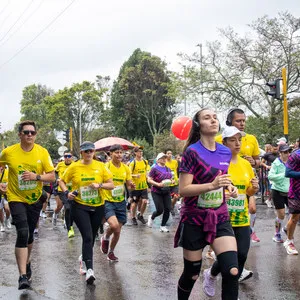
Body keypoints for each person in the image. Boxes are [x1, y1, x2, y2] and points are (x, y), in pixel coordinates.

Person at [175, 108, 239, 300]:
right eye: (206, 118)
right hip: (194, 218)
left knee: (232, 270)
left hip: (219, 216)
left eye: (215, 117)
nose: (213, 120)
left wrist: (230, 187)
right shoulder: (192, 153)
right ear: (198, 125)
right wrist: (212, 186)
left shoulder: (224, 152)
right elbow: (183, 190)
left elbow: (221, 179)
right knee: (191, 274)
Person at [203, 126, 259, 296]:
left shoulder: (245, 164)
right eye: (233, 140)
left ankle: (212, 274)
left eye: (239, 140)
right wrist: (222, 194)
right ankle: (229, 291)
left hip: (241, 218)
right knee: (230, 261)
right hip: (222, 219)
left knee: (241, 255)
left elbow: (248, 191)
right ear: (224, 143)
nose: (237, 143)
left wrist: (253, 190)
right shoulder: (218, 163)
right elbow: (209, 188)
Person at [0, 120, 55, 290]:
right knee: (22, 232)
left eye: (32, 132)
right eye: (26, 132)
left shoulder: (42, 152)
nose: (29, 135)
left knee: (29, 235)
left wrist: (36, 177)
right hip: (16, 197)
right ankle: (22, 276)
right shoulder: (8, 152)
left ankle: (27, 260)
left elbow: (52, 176)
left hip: (34, 198)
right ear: (20, 134)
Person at [59, 141, 114, 284]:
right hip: (80, 206)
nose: (89, 153)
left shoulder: (101, 166)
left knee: (91, 236)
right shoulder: (74, 166)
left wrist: (99, 185)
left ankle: (83, 258)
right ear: (81, 153)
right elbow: (61, 180)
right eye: (86, 151)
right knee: (88, 237)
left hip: (98, 206)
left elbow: (111, 185)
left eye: (91, 151)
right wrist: (67, 192)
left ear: (94, 152)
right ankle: (90, 270)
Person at [216, 108, 261, 243]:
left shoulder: (251, 138)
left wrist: (254, 162)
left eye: (243, 121)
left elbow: (258, 161)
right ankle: (216, 248)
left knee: (251, 208)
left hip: (245, 178)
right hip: (227, 179)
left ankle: (248, 232)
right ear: (230, 122)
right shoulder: (219, 139)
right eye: (238, 121)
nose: (242, 124)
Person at [100, 144, 135, 261]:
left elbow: (129, 184)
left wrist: (132, 186)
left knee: (118, 230)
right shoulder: (105, 167)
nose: (120, 155)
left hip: (120, 201)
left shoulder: (126, 168)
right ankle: (105, 237)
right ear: (110, 154)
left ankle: (111, 252)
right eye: (117, 152)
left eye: (121, 152)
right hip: (107, 200)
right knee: (114, 225)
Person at [268, 144, 290, 243]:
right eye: (285, 152)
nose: (288, 154)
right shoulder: (276, 163)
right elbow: (271, 176)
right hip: (278, 190)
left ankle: (286, 227)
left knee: (295, 214)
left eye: (289, 151)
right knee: (281, 214)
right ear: (280, 153)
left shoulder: (292, 162)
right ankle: (277, 234)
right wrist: (284, 175)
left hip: (290, 191)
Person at [147, 152, 173, 232]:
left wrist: (171, 181)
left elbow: (171, 179)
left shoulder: (168, 169)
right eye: (162, 158)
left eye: (165, 158)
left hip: (166, 191)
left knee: (168, 208)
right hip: (156, 191)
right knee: (160, 210)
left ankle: (163, 226)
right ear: (158, 160)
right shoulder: (154, 168)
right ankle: (151, 217)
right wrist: (158, 184)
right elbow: (149, 179)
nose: (164, 160)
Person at [53, 150, 75, 238]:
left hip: (72, 190)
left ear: (72, 157)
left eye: (69, 156)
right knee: (67, 207)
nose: (67, 158)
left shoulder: (75, 165)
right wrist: (57, 180)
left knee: (72, 208)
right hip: (62, 189)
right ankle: (69, 227)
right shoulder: (60, 165)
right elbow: (55, 172)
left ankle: (69, 222)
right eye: (66, 156)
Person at [284, 145, 300, 255]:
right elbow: (288, 172)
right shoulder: (296, 155)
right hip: (296, 192)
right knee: (294, 218)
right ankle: (289, 241)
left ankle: (287, 228)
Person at [129, 147, 149, 225]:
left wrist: (148, 174)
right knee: (134, 204)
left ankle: (140, 215)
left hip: (143, 186)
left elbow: (147, 170)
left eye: (141, 151)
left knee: (145, 201)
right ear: (135, 153)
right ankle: (133, 217)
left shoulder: (145, 162)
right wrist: (134, 175)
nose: (141, 153)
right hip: (135, 187)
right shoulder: (132, 163)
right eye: (139, 151)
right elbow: (129, 174)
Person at [165, 149, 180, 216]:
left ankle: (171, 207)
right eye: (168, 153)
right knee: (168, 198)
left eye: (171, 153)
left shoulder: (175, 162)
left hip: (175, 183)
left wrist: (178, 178)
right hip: (167, 183)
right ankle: (168, 207)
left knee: (176, 197)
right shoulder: (164, 162)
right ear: (165, 154)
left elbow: (177, 170)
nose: (170, 155)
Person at [0, 166, 11, 231]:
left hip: (6, 194)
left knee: (7, 209)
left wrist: (6, 185)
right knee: (0, 211)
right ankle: (2, 225)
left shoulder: (7, 172)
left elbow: (11, 181)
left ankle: (7, 219)